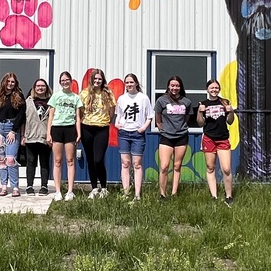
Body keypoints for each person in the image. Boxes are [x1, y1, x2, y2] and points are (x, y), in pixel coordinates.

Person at [114, 73, 152, 201]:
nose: (129, 85)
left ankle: (137, 194)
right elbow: (118, 114)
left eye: (131, 82)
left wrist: (143, 128)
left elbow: (150, 116)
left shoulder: (143, 98)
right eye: (127, 82)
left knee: (137, 164)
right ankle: (126, 193)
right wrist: (117, 123)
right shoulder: (122, 98)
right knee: (125, 163)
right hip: (124, 133)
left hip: (137, 134)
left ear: (136, 83)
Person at [197, 79, 236, 206]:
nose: (214, 90)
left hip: (223, 138)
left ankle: (229, 196)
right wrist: (200, 111)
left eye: (216, 88)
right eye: (211, 88)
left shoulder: (224, 102)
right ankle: (214, 196)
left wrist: (230, 111)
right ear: (207, 90)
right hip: (209, 138)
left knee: (226, 168)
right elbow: (200, 123)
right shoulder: (203, 103)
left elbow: (230, 121)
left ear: (219, 89)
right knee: (210, 167)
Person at [154, 75, 193, 199]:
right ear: (168, 86)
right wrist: (163, 129)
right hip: (166, 136)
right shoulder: (161, 100)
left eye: (177, 85)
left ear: (180, 87)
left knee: (177, 166)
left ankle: (174, 193)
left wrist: (180, 128)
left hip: (181, 136)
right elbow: (158, 119)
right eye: (172, 85)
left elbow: (187, 119)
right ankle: (162, 194)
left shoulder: (186, 102)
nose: (174, 88)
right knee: (164, 166)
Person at [46, 71, 83, 201]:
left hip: (70, 129)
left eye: (67, 80)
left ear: (71, 81)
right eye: (62, 80)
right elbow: (50, 116)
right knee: (57, 160)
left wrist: (79, 133)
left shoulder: (75, 97)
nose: (65, 82)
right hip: (57, 128)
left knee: (70, 160)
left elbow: (78, 117)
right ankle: (57, 191)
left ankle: (70, 191)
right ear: (60, 82)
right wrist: (48, 133)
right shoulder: (55, 96)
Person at [79, 68, 116, 198]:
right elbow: (80, 112)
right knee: (90, 159)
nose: (97, 81)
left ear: (103, 80)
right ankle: (94, 188)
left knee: (98, 159)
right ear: (91, 80)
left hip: (102, 128)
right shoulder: (84, 93)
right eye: (95, 79)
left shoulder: (108, 93)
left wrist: (105, 121)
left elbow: (112, 112)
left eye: (99, 79)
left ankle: (104, 188)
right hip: (87, 128)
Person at [0, 72, 26, 197]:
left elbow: (21, 115)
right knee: (1, 160)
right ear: (4, 82)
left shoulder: (19, 96)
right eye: (8, 81)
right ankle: (3, 187)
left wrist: (14, 130)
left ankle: (15, 187)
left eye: (12, 82)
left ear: (15, 83)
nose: (10, 84)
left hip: (12, 128)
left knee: (10, 159)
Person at [22, 78, 53, 195]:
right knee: (31, 162)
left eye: (43, 86)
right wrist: (22, 136)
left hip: (45, 137)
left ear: (46, 88)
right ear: (34, 88)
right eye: (38, 86)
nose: (40, 88)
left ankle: (44, 186)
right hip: (30, 136)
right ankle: (29, 186)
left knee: (44, 162)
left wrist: (51, 136)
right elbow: (23, 120)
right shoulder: (28, 101)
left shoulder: (51, 102)